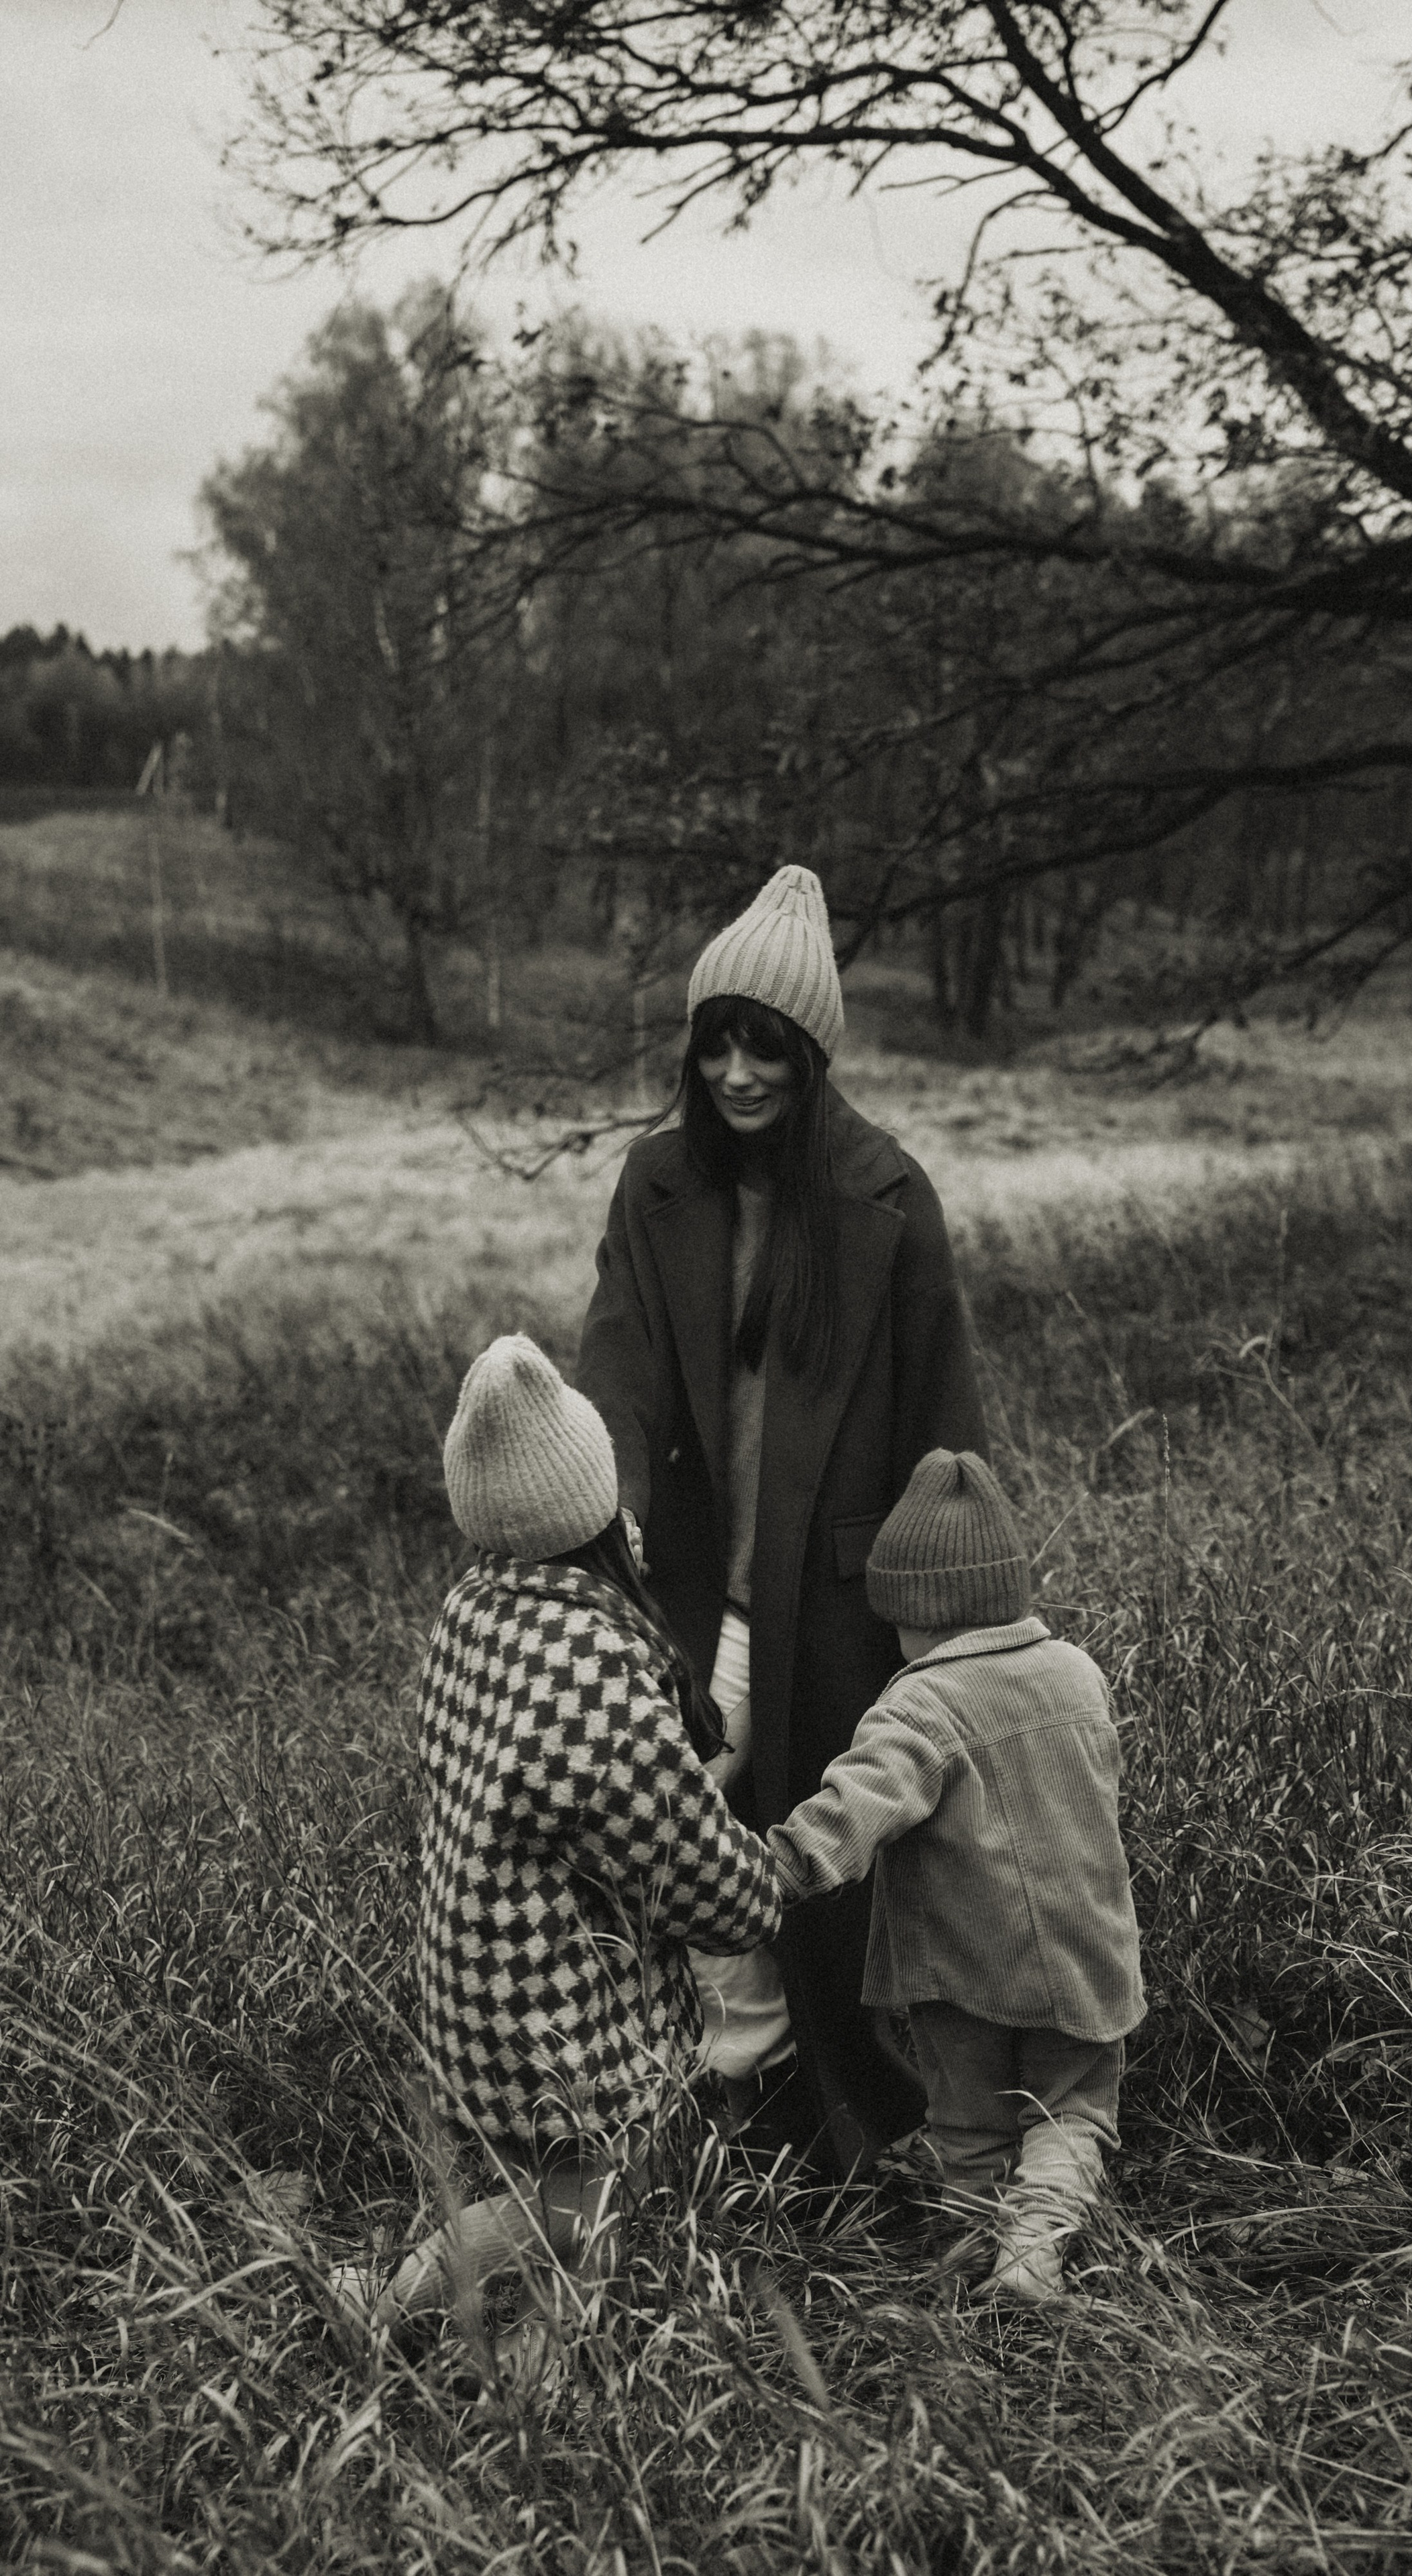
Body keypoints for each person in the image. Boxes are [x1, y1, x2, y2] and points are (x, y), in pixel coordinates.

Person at [577, 864, 987, 2178]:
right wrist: (616, 1513)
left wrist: (962, 1628)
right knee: (692, 1837)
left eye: (767, 1048)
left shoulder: (884, 1199)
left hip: (839, 1605)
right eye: (716, 1044)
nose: (738, 1074)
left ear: (810, 1056)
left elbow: (948, 1425)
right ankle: (730, 2098)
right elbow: (618, 1365)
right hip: (699, 1595)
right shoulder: (655, 1186)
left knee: (836, 1871)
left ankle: (878, 2132)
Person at [331, 1334, 780, 2341]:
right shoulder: (595, 1678)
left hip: (471, 1985)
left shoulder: (473, 1613)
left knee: (575, 2233)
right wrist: (770, 1870)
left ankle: (531, 2401)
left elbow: (571, 1807)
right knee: (588, 2203)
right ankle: (388, 2300)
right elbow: (705, 1885)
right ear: (593, 1496)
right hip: (557, 2018)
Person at [767, 1449, 1145, 2302]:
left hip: (960, 1973)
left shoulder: (920, 1706)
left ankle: (969, 2251)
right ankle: (1032, 2254)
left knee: (969, 2127)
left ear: (918, 1609)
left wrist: (776, 1868)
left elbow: (854, 1808)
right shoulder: (1079, 1676)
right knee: (1072, 2113)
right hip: (1084, 1953)